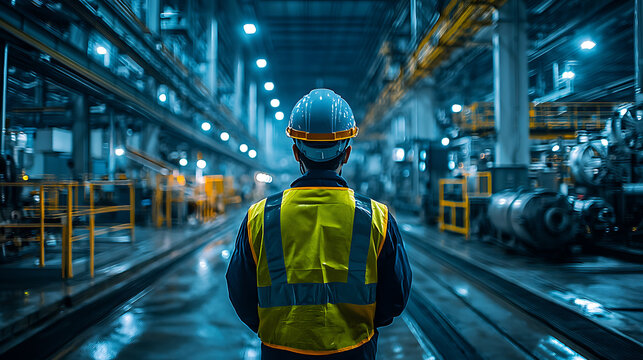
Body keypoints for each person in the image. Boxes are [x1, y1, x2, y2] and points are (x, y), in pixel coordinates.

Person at [226, 89, 412, 359]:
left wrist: (276, 330)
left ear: (295, 152)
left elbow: (240, 293)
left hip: (280, 351)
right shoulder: (377, 217)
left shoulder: (259, 216)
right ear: (346, 153)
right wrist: (360, 330)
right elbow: (396, 297)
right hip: (354, 350)